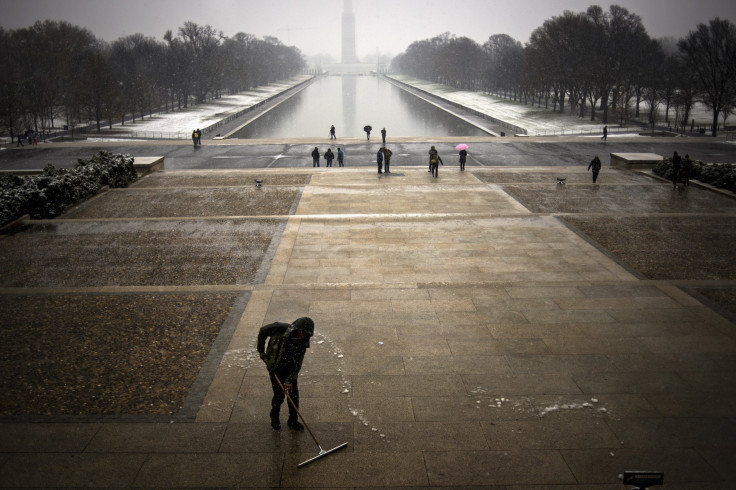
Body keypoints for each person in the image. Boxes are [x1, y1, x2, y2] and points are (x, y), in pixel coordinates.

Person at [257, 317, 314, 431]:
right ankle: (274, 417)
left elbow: (297, 364)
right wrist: (261, 351)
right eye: (301, 332)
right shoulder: (280, 328)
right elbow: (263, 331)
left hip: (289, 368)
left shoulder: (302, 343)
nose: (302, 336)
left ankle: (293, 421)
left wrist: (289, 380)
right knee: (279, 395)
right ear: (296, 329)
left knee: (293, 396)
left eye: (305, 334)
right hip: (275, 367)